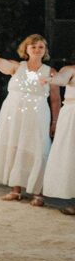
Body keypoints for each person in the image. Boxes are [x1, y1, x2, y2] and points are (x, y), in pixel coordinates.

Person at [0, 35, 60, 206]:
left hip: (37, 114)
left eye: (40, 47)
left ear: (45, 50)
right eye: (33, 47)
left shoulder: (50, 71)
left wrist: (55, 122)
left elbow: (55, 99)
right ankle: (15, 190)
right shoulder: (17, 66)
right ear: (26, 49)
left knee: (38, 148)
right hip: (14, 113)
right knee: (15, 146)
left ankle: (37, 192)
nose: (37, 50)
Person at [43, 65, 75, 215]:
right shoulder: (70, 69)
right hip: (71, 116)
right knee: (70, 157)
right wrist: (50, 78)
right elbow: (61, 79)